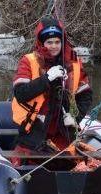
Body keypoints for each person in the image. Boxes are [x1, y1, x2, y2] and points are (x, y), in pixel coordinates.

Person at [10, 17, 93, 167]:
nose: (54, 46)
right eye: (49, 42)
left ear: (62, 42)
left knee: (69, 163)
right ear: (42, 43)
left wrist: (75, 118)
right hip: (34, 130)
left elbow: (85, 95)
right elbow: (21, 93)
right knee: (32, 162)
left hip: (63, 129)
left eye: (57, 42)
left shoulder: (73, 64)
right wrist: (46, 79)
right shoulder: (28, 61)